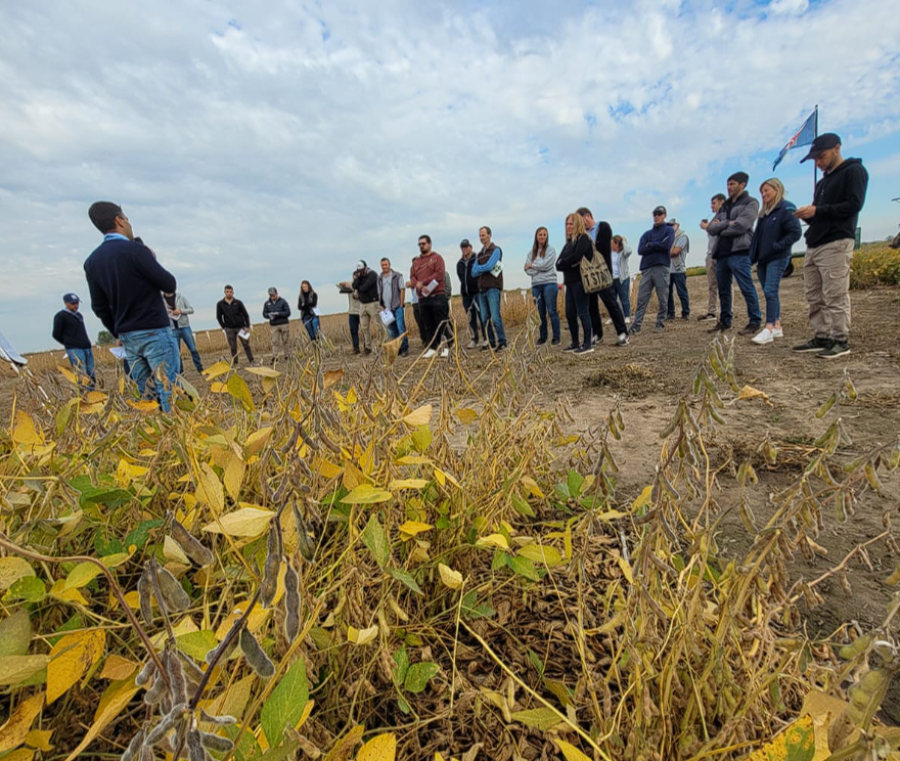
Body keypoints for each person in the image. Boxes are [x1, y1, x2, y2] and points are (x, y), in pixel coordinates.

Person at [84, 201, 178, 411]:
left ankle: (157, 437)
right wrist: (151, 258)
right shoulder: (136, 251)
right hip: (154, 331)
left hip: (128, 337)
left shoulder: (92, 262)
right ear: (119, 221)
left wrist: (118, 330)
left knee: (147, 396)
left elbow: (99, 306)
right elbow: (169, 283)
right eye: (126, 218)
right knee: (169, 391)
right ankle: (178, 435)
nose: (129, 223)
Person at [792, 133, 869, 359]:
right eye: (815, 160)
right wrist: (807, 215)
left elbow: (854, 205)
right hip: (815, 242)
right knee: (814, 294)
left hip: (836, 241)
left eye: (821, 157)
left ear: (837, 148)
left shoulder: (854, 171)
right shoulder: (822, 181)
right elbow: (820, 214)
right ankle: (822, 336)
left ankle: (840, 339)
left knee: (834, 292)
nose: (818, 162)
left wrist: (818, 211)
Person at [705, 172, 762, 335]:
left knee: (746, 286)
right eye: (728, 184)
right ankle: (725, 321)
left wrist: (721, 227)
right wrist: (727, 223)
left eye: (732, 184)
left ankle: (755, 320)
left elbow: (742, 225)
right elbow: (710, 228)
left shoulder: (750, 203)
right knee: (723, 289)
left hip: (740, 251)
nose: (729, 187)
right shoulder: (725, 206)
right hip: (721, 253)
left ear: (742, 184)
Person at [748, 178, 802, 345]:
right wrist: (752, 257)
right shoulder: (764, 214)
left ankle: (769, 328)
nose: (764, 194)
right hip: (763, 259)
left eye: (767, 190)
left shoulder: (786, 208)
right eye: (762, 192)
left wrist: (779, 246)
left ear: (777, 189)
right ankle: (777, 324)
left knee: (771, 290)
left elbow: (795, 232)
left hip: (778, 257)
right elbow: (756, 237)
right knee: (768, 291)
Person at [629, 206, 675, 335]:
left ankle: (660, 323)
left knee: (663, 298)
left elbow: (667, 245)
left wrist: (651, 244)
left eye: (659, 214)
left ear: (664, 215)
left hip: (662, 266)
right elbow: (640, 250)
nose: (656, 216)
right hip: (647, 268)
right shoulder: (646, 234)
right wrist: (657, 244)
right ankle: (636, 325)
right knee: (641, 298)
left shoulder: (669, 230)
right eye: (654, 214)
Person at [555, 213, 595, 355]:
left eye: (571, 223)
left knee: (583, 312)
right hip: (569, 282)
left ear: (577, 224)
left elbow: (577, 257)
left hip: (580, 281)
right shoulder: (568, 244)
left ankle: (587, 343)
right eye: (567, 224)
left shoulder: (583, 239)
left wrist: (566, 262)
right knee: (570, 313)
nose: (568, 226)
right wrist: (569, 262)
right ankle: (575, 342)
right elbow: (558, 264)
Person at [409, 235, 452, 358]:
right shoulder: (416, 262)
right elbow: (412, 276)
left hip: (437, 296)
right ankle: (433, 347)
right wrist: (417, 283)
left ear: (429, 244)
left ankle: (448, 346)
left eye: (423, 243)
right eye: (420, 244)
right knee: (428, 324)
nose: (421, 246)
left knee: (441, 323)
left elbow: (439, 274)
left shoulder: (437, 258)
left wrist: (424, 282)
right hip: (422, 298)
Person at [593, 221, 629, 345]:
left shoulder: (619, 252)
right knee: (596, 305)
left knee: (617, 301)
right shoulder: (607, 251)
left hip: (615, 278)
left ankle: (624, 328)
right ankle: (597, 334)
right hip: (600, 278)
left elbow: (628, 251)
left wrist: (622, 241)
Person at [471, 226, 507, 351]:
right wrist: (485, 268)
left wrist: (483, 268)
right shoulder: (479, 254)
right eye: (480, 235)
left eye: (483, 235)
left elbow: (491, 266)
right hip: (482, 289)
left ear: (489, 235)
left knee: (496, 317)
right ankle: (490, 342)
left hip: (493, 287)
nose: (482, 237)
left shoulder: (496, 250)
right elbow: (473, 272)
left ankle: (502, 342)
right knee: (484, 319)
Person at [524, 226, 560, 345]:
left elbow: (547, 265)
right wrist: (538, 267)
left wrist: (533, 265)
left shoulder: (551, 250)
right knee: (540, 313)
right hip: (536, 285)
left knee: (552, 310)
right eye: (540, 234)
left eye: (544, 235)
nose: (542, 237)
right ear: (536, 236)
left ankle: (556, 337)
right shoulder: (531, 253)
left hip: (549, 283)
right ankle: (543, 336)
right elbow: (527, 270)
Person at [52, 293, 96, 391]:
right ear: (66, 303)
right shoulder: (61, 316)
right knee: (82, 374)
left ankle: (92, 393)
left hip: (86, 346)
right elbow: (56, 334)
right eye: (73, 304)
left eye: (77, 303)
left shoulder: (79, 315)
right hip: (75, 349)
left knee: (91, 372)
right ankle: (84, 395)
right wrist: (69, 343)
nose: (76, 305)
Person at [698, 194, 726, 321]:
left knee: (725, 284)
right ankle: (712, 311)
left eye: (714, 203)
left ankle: (727, 311)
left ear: (722, 202)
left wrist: (707, 227)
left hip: (721, 255)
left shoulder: (726, 216)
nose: (711, 206)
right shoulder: (714, 218)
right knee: (712, 285)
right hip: (710, 255)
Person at [457, 239, 489, 348]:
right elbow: (462, 278)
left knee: (482, 315)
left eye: (466, 247)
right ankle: (474, 339)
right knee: (471, 318)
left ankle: (486, 338)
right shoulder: (460, 264)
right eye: (463, 247)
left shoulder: (477, 259)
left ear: (470, 247)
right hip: (466, 294)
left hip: (477, 292)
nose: (465, 249)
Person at [163, 291, 204, 373]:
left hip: (184, 327)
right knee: (176, 353)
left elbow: (191, 310)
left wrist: (180, 311)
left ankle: (200, 368)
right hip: (172, 329)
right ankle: (181, 372)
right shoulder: (161, 300)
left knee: (192, 349)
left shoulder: (180, 297)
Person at [377, 258, 409, 356]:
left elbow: (402, 289)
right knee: (392, 330)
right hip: (386, 309)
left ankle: (405, 348)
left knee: (400, 327)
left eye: (386, 264)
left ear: (389, 265)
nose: (384, 267)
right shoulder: (379, 279)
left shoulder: (397, 276)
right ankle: (397, 348)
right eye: (382, 265)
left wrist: (401, 304)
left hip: (397, 306)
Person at [216, 285, 254, 365]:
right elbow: (219, 317)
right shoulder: (220, 304)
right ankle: (235, 363)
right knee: (233, 347)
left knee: (246, 344)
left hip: (241, 327)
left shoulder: (238, 303)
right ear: (225, 292)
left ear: (233, 292)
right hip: (229, 329)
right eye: (227, 292)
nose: (229, 293)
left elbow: (245, 314)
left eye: (230, 292)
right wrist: (224, 327)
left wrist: (247, 326)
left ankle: (252, 361)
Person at [352, 261, 379, 355]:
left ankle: (384, 344)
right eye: (358, 270)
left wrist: (358, 288)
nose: (360, 272)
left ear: (365, 268)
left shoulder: (372, 274)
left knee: (378, 325)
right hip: (362, 304)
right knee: (364, 327)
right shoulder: (360, 276)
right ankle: (368, 347)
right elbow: (354, 285)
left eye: (361, 270)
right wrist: (358, 277)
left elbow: (364, 287)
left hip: (373, 303)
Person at [666, 219, 690, 320]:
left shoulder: (683, 236)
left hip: (678, 269)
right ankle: (670, 314)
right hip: (668, 269)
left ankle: (686, 313)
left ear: (677, 225)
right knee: (667, 293)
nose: (670, 227)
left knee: (682, 292)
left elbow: (676, 251)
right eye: (669, 225)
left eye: (672, 225)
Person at [262, 287, 291, 361]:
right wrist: (269, 315)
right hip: (274, 325)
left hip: (283, 323)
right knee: (275, 341)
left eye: (274, 295)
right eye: (271, 295)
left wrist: (279, 314)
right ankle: (275, 357)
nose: (272, 297)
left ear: (276, 294)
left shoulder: (283, 302)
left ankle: (287, 355)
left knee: (285, 340)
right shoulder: (267, 303)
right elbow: (264, 314)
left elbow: (288, 312)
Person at [336, 279, 361, 353]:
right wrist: (345, 284)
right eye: (354, 276)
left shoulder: (363, 285)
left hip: (362, 311)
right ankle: (356, 348)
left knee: (365, 331)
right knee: (353, 330)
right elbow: (339, 284)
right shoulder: (350, 285)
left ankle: (367, 347)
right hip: (352, 312)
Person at [611, 235, 632, 321]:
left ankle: (627, 316)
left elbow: (629, 251)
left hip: (622, 278)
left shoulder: (623, 252)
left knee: (624, 298)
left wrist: (622, 241)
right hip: (612, 278)